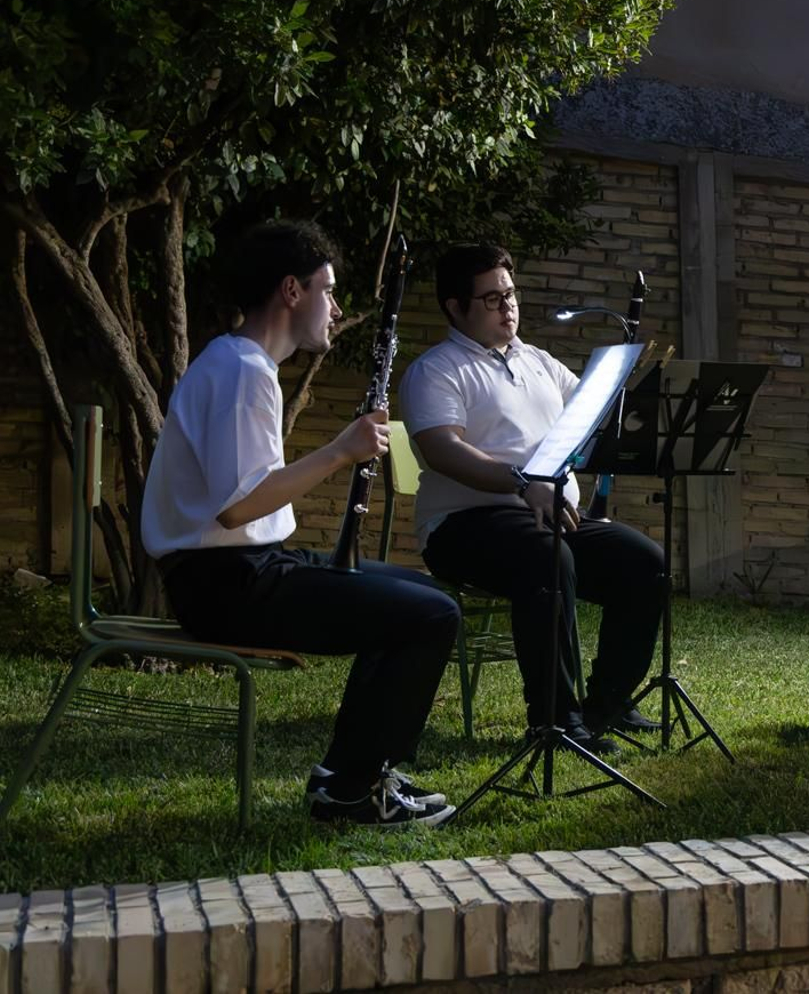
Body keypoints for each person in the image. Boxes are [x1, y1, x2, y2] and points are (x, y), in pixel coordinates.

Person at [142, 220, 461, 827]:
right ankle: (352, 791)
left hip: (246, 568)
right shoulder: (242, 372)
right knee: (431, 617)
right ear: (292, 291)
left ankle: (350, 773)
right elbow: (238, 506)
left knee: (423, 595)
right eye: (328, 290)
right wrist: (340, 451)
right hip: (225, 584)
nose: (336, 308)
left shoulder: (238, 362)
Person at [398, 242, 663, 756]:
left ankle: (606, 702)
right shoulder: (437, 369)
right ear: (455, 306)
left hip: (549, 514)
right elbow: (442, 449)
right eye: (493, 299)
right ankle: (555, 722)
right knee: (547, 559)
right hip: (465, 523)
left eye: (511, 294)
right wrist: (522, 481)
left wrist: (626, 388)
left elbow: (594, 410)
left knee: (644, 563)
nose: (509, 307)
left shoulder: (538, 361)